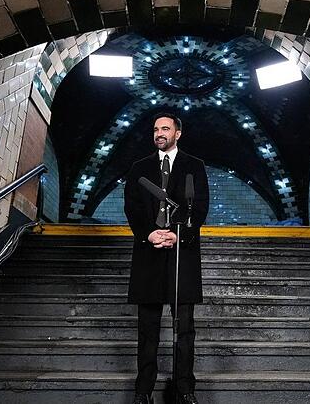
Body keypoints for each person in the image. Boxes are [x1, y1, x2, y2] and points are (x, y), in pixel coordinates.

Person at [124, 112, 209, 404]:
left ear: (178, 133)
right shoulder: (139, 168)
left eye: (165, 128)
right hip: (148, 254)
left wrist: (179, 235)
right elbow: (132, 206)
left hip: (181, 256)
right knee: (147, 330)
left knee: (184, 329)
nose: (159, 133)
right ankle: (143, 391)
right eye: (156, 129)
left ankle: (185, 389)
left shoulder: (193, 166)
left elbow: (199, 206)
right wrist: (148, 233)